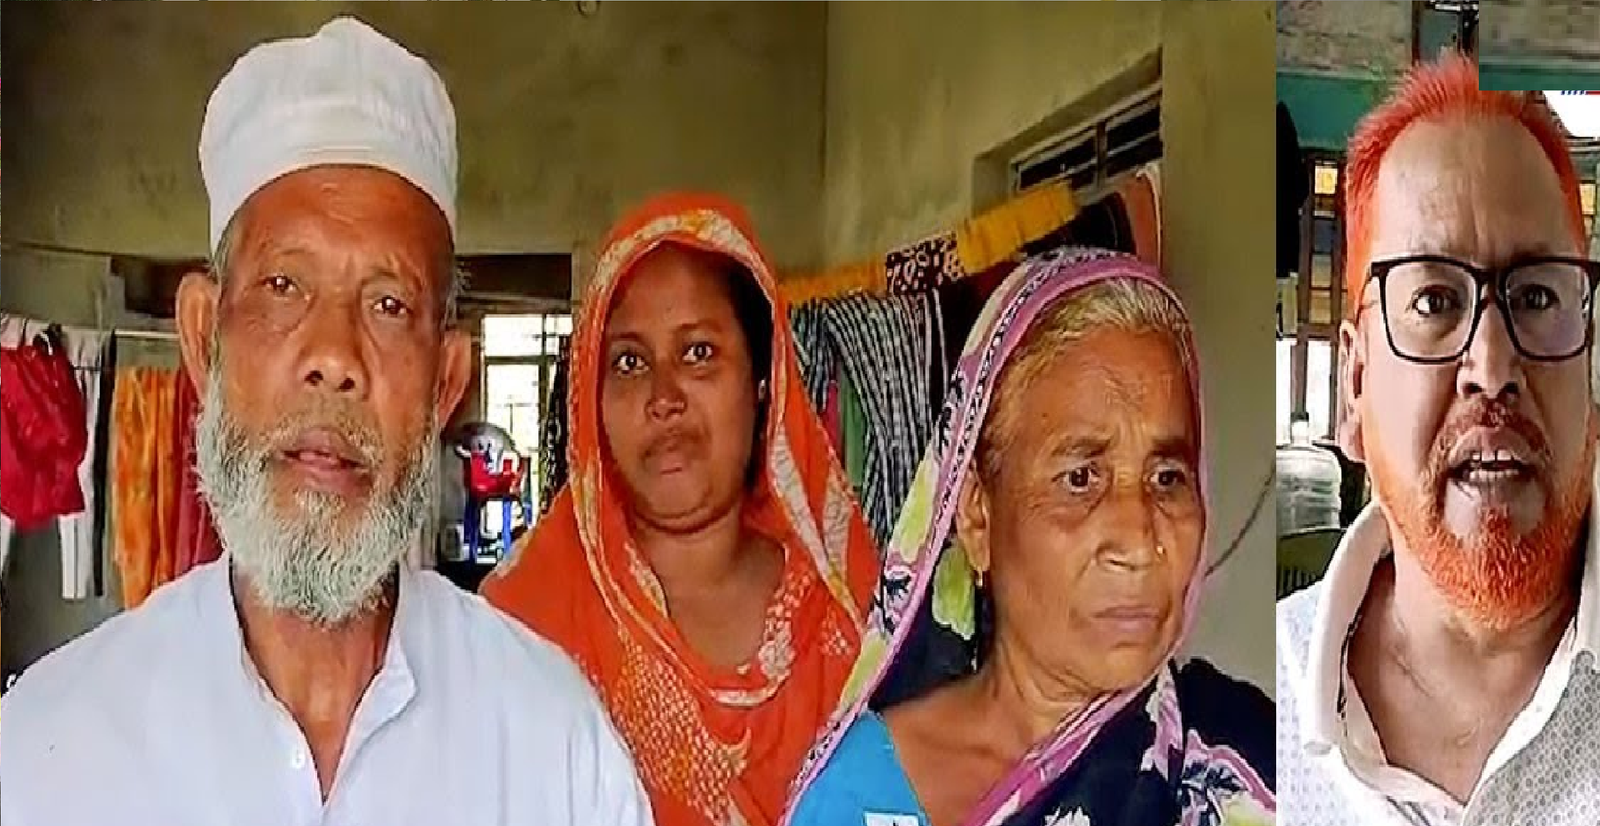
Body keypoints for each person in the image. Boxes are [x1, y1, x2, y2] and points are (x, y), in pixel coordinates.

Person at [0, 18, 651, 826]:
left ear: (446, 383)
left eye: (388, 304)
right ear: (203, 338)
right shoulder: (44, 757)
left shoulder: (556, 750)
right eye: (284, 287)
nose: (334, 357)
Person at [787, 247, 1276, 826]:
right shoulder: (861, 795)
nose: (1139, 542)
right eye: (1081, 478)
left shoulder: (1258, 757)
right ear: (978, 516)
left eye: (1167, 477)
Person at [481, 192, 882, 826]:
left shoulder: (852, 612)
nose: (663, 396)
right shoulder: (519, 623)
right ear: (591, 399)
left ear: (763, 383)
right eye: (629, 362)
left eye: (698, 352)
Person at [1277, 54, 1600, 825]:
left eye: (1536, 296)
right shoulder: (1251, 714)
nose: (1492, 366)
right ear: (1354, 386)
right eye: (1433, 300)